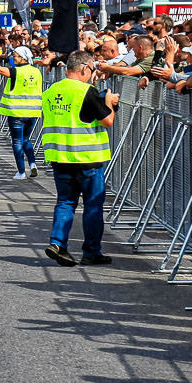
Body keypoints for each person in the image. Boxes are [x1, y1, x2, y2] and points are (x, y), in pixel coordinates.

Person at [41, 49, 118, 267]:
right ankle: (91, 252)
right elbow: (107, 121)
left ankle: (57, 244)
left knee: (65, 202)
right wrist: (110, 102)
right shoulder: (86, 91)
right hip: (87, 158)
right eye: (92, 70)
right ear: (85, 68)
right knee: (93, 205)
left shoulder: (51, 91)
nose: (93, 75)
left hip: (60, 157)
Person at [0, 43, 41, 179]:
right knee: (26, 139)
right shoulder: (37, 72)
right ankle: (32, 164)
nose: (13, 58)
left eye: (15, 56)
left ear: (23, 58)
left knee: (17, 142)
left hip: (17, 113)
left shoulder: (16, 71)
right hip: (33, 113)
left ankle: (21, 172)